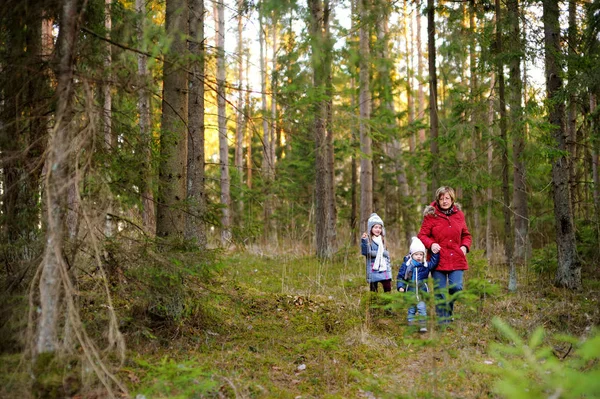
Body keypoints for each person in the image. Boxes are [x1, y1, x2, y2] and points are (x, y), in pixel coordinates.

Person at [417, 186, 472, 324]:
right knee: (440, 291)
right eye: (441, 198)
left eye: (447, 198)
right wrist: (431, 244)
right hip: (438, 259)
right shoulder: (431, 215)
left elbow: (466, 235)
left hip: (456, 258)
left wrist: (465, 246)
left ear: (452, 199)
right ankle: (443, 322)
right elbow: (422, 235)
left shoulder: (459, 215)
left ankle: (449, 310)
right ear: (438, 200)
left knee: (456, 287)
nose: (444, 201)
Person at [397, 237, 439, 332]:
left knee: (422, 309)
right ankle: (411, 325)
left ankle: (422, 326)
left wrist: (436, 253)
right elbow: (400, 276)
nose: (419, 256)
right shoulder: (407, 265)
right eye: (416, 254)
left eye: (421, 254)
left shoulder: (425, 265)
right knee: (411, 309)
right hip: (410, 292)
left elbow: (434, 263)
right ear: (412, 255)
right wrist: (400, 286)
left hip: (422, 292)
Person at [361, 213, 393, 292]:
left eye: (380, 227)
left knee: (387, 286)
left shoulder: (383, 240)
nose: (378, 229)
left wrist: (388, 267)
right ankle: (374, 303)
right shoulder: (368, 239)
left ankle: (387, 302)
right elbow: (366, 252)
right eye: (375, 227)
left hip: (384, 267)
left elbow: (387, 255)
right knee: (373, 288)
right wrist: (364, 241)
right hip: (373, 267)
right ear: (370, 228)